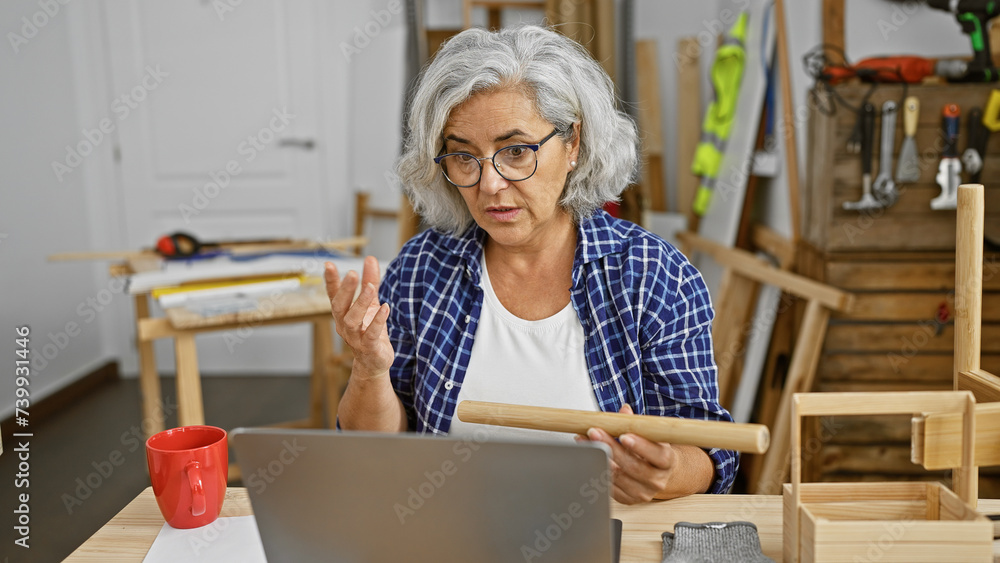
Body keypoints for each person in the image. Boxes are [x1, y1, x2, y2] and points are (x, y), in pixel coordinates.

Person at [325, 24, 737, 503]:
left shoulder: (651, 273)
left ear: (574, 143)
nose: (490, 185)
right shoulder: (421, 268)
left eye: (516, 152)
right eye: (464, 156)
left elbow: (711, 451)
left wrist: (670, 470)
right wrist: (370, 370)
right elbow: (373, 453)